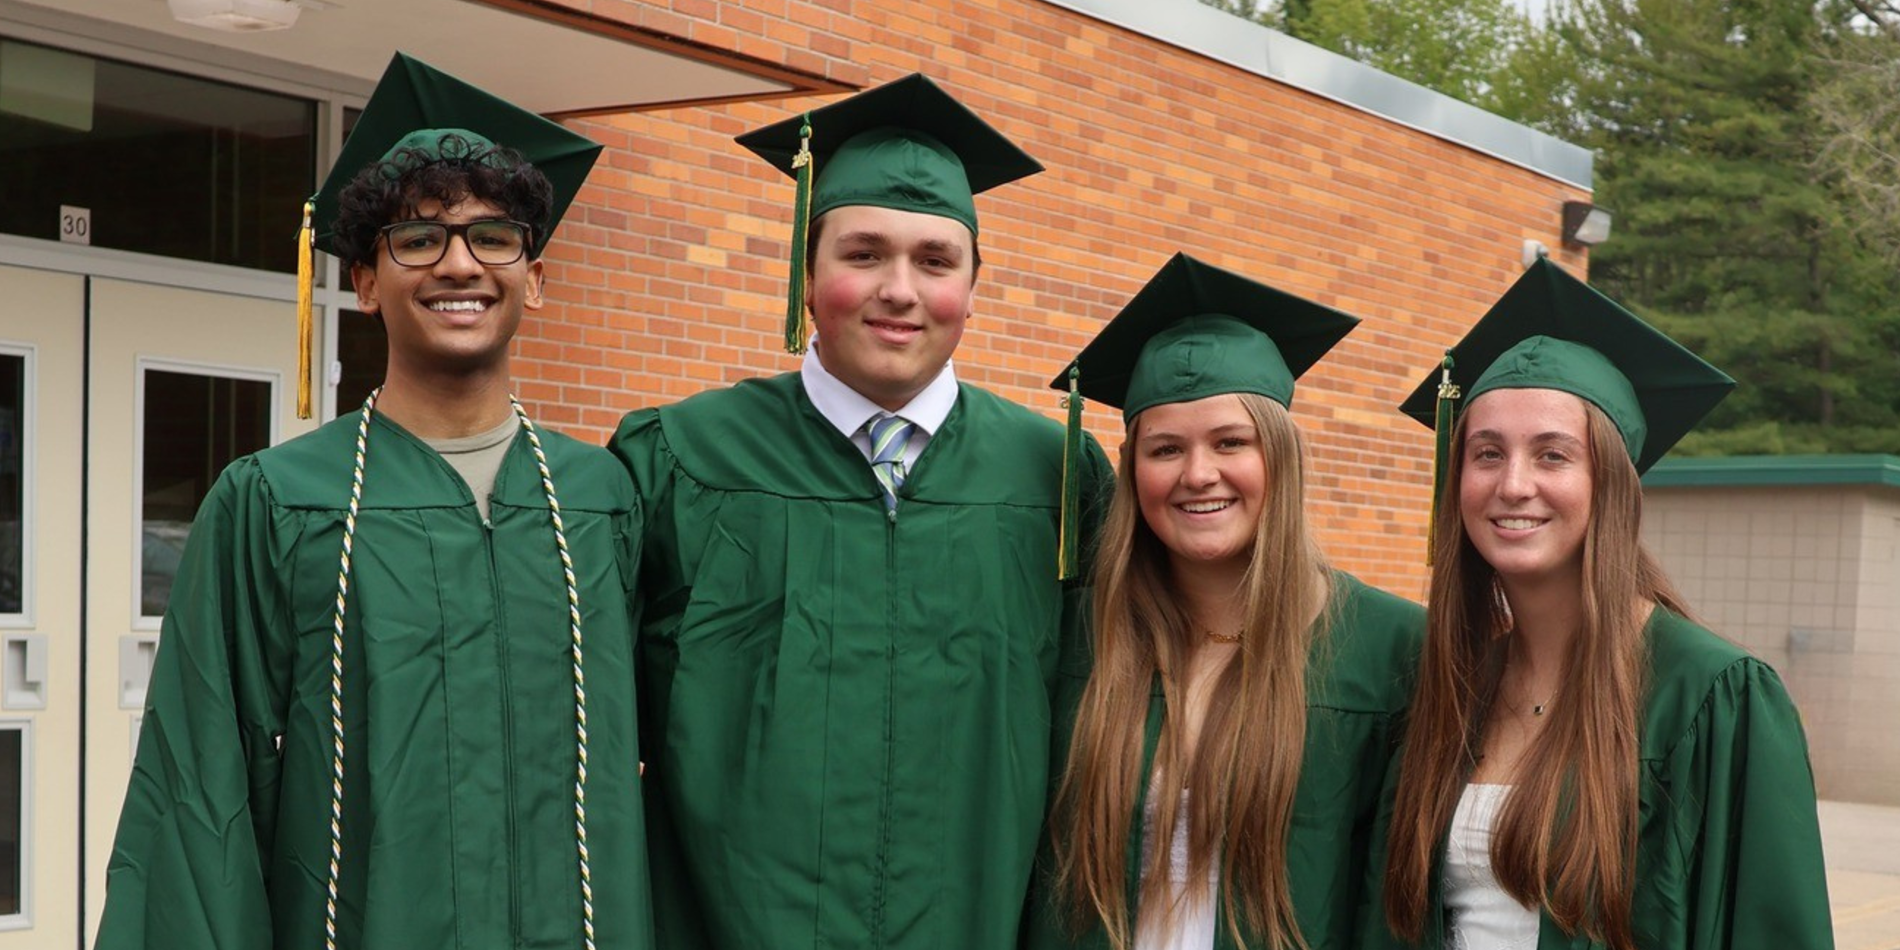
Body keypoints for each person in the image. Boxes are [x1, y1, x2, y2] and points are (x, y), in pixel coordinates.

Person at [95, 53, 651, 950]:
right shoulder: (277, 503)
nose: (459, 264)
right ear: (363, 283)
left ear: (536, 277)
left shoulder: (603, 502)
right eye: (419, 239)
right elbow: (199, 782)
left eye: (493, 236)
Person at [609, 73, 1114, 949]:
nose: (900, 289)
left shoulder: (1057, 479)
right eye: (864, 254)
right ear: (806, 275)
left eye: (935, 261)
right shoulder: (681, 458)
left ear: (974, 287)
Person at [1380, 258, 1833, 950]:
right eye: (1487, 453)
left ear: (1611, 483)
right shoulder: (1459, 684)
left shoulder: (1712, 697)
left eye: (1553, 455)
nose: (1513, 484)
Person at [1026, 253, 1426, 950]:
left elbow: (1391, 906)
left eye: (1230, 442)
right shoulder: (1078, 635)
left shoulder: (1392, 649)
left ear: (1281, 457)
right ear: (1130, 468)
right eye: (1165, 449)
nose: (1198, 473)